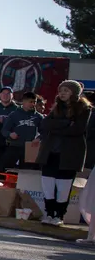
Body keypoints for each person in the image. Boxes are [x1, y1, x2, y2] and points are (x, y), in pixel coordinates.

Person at [36, 81, 91, 226]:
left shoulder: (84, 109)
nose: (62, 93)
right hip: (50, 152)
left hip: (69, 155)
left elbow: (77, 130)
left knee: (63, 187)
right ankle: (48, 213)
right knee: (48, 185)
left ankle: (59, 215)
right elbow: (45, 124)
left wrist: (57, 126)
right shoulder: (56, 108)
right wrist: (66, 123)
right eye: (61, 90)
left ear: (74, 93)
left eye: (66, 90)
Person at [0, 92, 43, 171]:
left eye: (34, 102)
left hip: (30, 147)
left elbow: (44, 131)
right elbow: (4, 130)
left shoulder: (38, 117)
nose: (33, 104)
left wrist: (39, 138)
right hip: (14, 146)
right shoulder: (14, 115)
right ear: (24, 102)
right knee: (6, 168)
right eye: (30, 102)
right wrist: (10, 134)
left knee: (27, 172)